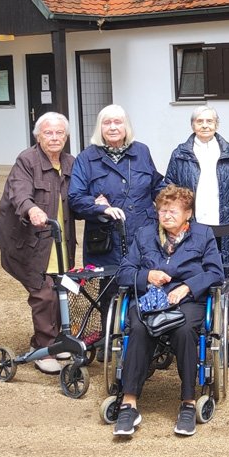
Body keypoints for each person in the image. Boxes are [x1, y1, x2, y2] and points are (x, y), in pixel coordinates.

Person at [112, 185, 224, 436]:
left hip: (188, 302)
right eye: (162, 210)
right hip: (150, 302)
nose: (166, 216)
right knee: (139, 328)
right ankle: (129, 403)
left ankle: (188, 402)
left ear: (188, 214)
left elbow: (216, 273)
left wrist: (187, 287)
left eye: (173, 211)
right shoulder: (144, 235)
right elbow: (124, 272)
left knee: (183, 329)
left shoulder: (203, 235)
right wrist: (147, 275)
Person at [69, 105, 163, 333]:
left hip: (142, 232)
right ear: (100, 127)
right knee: (111, 289)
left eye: (118, 122)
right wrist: (99, 207)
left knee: (144, 283)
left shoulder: (141, 151)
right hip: (107, 237)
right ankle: (111, 340)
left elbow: (156, 185)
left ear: (126, 126)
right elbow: (75, 197)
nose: (113, 127)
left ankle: (145, 338)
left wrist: (171, 200)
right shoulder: (86, 158)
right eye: (107, 122)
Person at [0, 112, 76, 375]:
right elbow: (19, 192)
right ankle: (43, 347)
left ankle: (58, 340)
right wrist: (31, 210)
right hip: (29, 242)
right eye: (48, 133)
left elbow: (80, 193)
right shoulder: (26, 160)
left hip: (59, 241)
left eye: (59, 133)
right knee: (44, 292)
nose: (54, 138)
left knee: (61, 288)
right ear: (38, 136)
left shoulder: (70, 162)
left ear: (66, 136)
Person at [164, 106, 229, 322]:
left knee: (227, 273)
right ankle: (196, 319)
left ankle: (227, 320)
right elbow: (169, 184)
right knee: (194, 271)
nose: (205, 125)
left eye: (209, 121)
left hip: (227, 227)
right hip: (193, 227)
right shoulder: (180, 154)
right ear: (192, 125)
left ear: (216, 124)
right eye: (200, 121)